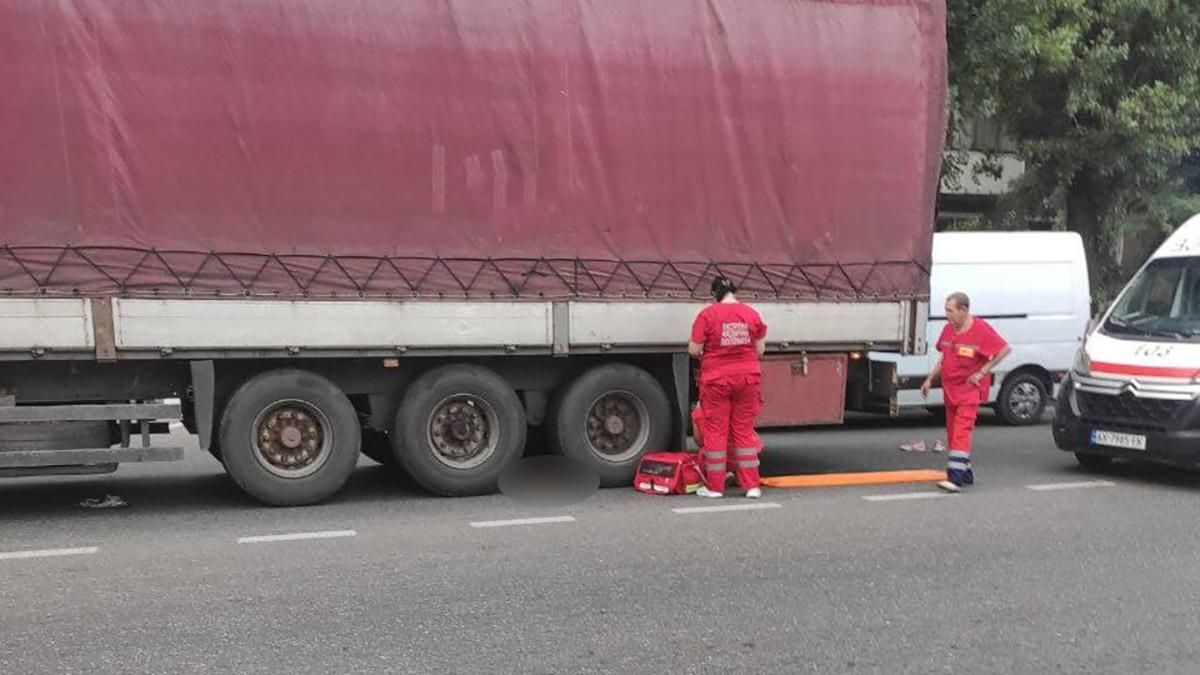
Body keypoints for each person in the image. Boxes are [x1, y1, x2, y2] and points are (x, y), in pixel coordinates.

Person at [921, 291, 1011, 493]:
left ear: (964, 310)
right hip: (950, 390)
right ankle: (966, 472)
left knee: (961, 432)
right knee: (953, 434)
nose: (947, 315)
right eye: (946, 310)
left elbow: (1004, 349)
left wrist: (982, 372)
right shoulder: (948, 330)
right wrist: (929, 379)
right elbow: (944, 358)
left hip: (969, 391)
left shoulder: (980, 330)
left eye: (950, 310)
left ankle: (956, 479)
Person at [688, 276, 768, 498]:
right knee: (743, 431)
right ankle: (752, 486)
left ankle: (715, 487)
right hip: (747, 379)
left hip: (717, 380)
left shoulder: (708, 315)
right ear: (734, 291)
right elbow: (760, 350)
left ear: (715, 294)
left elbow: (694, 350)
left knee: (716, 432)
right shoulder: (751, 314)